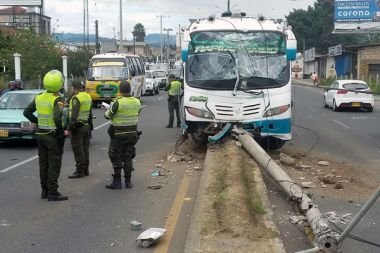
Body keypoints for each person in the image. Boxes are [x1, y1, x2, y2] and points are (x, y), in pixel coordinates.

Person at [23, 70, 68, 201]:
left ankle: (44, 191)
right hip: (52, 137)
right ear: (60, 83)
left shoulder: (39, 97)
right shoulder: (57, 99)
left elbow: (27, 112)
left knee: (43, 164)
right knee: (54, 164)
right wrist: (61, 131)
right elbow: (57, 118)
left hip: (41, 135)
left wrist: (38, 121)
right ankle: (53, 192)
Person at [104, 80, 141, 189]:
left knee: (117, 157)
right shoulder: (137, 102)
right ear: (130, 89)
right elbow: (137, 113)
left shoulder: (117, 102)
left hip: (118, 135)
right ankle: (128, 182)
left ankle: (117, 182)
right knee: (128, 157)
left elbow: (107, 116)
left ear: (120, 90)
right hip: (132, 134)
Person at [67, 79, 93, 179]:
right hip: (86, 126)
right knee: (85, 149)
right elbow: (90, 114)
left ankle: (79, 171)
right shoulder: (87, 96)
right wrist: (90, 127)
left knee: (78, 150)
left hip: (77, 128)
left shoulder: (76, 98)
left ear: (74, 88)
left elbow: (74, 116)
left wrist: (68, 129)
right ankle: (86, 170)